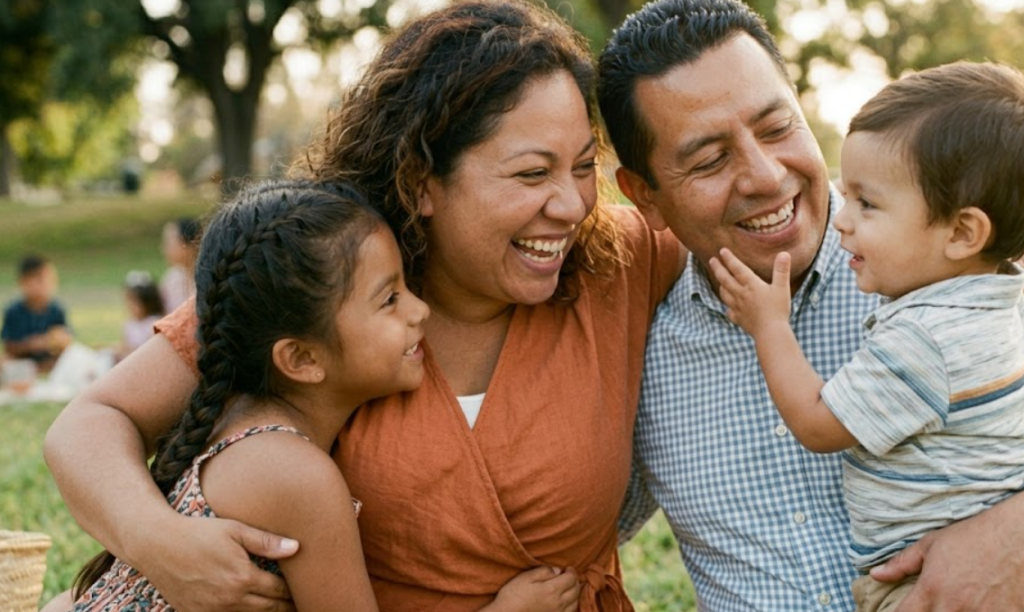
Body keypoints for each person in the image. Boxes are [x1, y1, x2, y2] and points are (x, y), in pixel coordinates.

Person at [44, 2, 685, 611]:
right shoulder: (325, 276)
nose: (573, 204)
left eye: (581, 166)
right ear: (420, 182)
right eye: (530, 174)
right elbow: (90, 423)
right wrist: (160, 544)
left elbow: (756, 227)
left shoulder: (620, 260)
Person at [597, 0, 1024, 610]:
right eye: (710, 159)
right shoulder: (639, 365)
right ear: (646, 197)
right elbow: (569, 533)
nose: (766, 176)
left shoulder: (969, 279)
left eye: (776, 128)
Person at [708, 61, 1024, 612]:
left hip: (922, 583)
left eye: (867, 204)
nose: (841, 220)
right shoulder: (997, 302)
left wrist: (769, 325)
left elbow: (817, 422)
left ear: (962, 232)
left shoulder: (925, 339)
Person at [71, 179, 430, 611]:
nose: (420, 310)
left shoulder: (238, 430)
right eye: (390, 299)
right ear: (300, 358)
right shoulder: (295, 476)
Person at [2, 254, 73, 373]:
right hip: (22, 361)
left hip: (50, 360)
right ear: (23, 282)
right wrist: (31, 344)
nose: (48, 286)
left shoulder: (56, 309)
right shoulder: (14, 311)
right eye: (41, 281)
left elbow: (67, 338)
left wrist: (56, 340)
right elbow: (9, 346)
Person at [118, 271, 165, 361]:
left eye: (134, 302)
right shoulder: (129, 324)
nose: (130, 306)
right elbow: (125, 345)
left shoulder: (153, 324)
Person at [159, 217, 200, 314]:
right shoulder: (172, 278)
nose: (164, 249)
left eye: (169, 242)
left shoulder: (209, 277)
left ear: (189, 244)